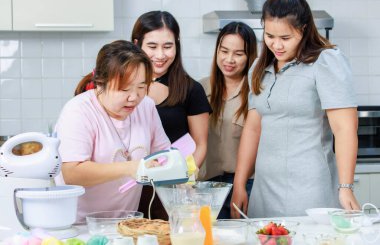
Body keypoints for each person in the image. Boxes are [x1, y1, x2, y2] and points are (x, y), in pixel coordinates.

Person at [231, 0, 360, 218]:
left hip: (310, 190)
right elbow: (253, 129)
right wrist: (239, 183)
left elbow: (345, 129)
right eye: (270, 35)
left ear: (303, 29)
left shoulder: (325, 62)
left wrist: (345, 187)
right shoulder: (259, 70)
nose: (276, 45)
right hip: (264, 190)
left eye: (286, 38)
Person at [55, 40, 171, 222]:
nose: (134, 98)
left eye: (141, 87)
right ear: (100, 84)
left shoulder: (146, 107)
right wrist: (129, 168)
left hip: (125, 224)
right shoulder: (79, 110)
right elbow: (71, 173)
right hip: (76, 225)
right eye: (124, 89)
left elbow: (164, 155)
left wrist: (181, 167)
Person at [131, 11, 212, 220]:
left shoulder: (191, 89)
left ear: (177, 44)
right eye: (152, 46)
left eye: (168, 46)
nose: (160, 55)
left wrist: (183, 180)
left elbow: (200, 144)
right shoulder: (123, 89)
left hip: (172, 189)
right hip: (127, 187)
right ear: (137, 44)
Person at [199, 21, 257, 219]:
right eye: (224, 51)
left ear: (250, 57)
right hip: (206, 186)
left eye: (239, 54)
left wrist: (240, 186)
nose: (229, 59)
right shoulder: (199, 89)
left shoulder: (257, 93)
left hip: (246, 184)